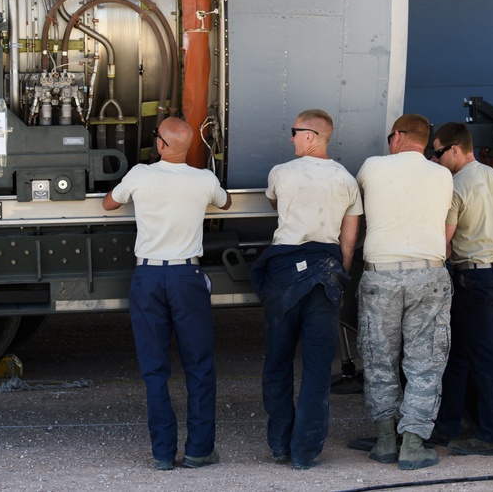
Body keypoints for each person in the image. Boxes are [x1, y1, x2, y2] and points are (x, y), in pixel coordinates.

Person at [102, 117, 232, 471]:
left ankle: (162, 453)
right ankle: (199, 450)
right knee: (199, 366)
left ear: (160, 144)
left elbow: (108, 204)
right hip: (186, 276)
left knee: (155, 369)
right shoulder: (204, 179)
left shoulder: (140, 175)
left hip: (147, 276)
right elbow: (226, 203)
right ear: (187, 146)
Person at [250, 109, 362, 470]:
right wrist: (338, 278)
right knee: (316, 370)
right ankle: (305, 451)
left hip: (283, 273)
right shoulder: (346, 179)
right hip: (326, 275)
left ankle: (279, 445)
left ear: (311, 136)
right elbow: (349, 239)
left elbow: (275, 204)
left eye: (295, 132)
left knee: (278, 364)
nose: (291, 138)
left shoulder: (281, 173)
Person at [356, 114, 454, 469]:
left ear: (397, 136)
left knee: (379, 359)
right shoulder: (442, 174)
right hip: (428, 274)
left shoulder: (371, 167)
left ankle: (385, 441)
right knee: (424, 363)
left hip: (380, 274)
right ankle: (413, 444)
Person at [430, 122, 493, 456]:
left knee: (482, 360)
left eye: (437, 153)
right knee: (461, 356)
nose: (435, 160)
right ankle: (447, 426)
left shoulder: (454, 187)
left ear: (453, 149)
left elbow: (444, 244)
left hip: (472, 279)